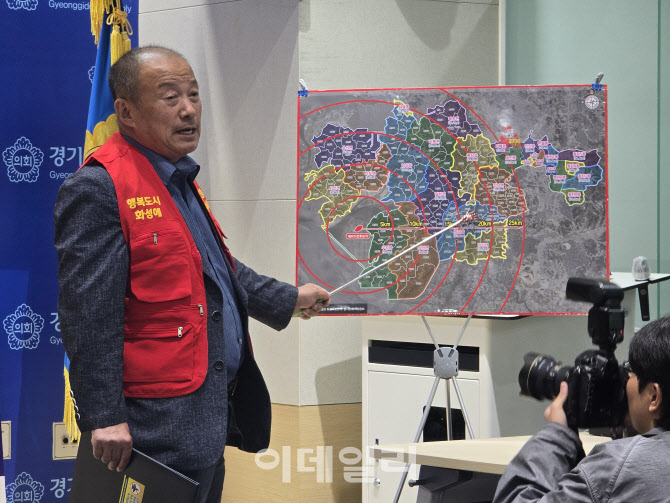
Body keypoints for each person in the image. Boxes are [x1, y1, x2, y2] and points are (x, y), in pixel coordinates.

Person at [54, 46, 330, 503]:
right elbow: (88, 315)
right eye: (169, 97)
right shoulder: (99, 187)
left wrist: (288, 299)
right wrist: (103, 416)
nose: (188, 109)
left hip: (201, 420)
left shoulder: (177, 179)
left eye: (194, 95)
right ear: (125, 111)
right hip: (147, 431)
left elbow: (216, 271)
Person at [493, 315, 670, 503]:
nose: (626, 380)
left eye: (632, 371)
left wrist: (556, 436)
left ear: (654, 396)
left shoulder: (616, 468)